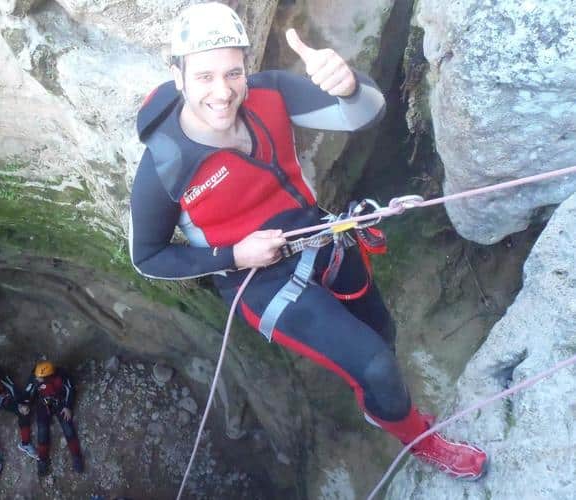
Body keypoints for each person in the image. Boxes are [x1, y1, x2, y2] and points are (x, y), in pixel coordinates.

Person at [129, 2, 488, 480]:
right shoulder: (164, 166)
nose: (223, 92)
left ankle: (378, 404)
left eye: (233, 72)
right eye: (205, 77)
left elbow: (364, 115)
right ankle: (419, 438)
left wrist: (350, 86)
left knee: (383, 332)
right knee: (378, 365)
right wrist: (234, 255)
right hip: (258, 281)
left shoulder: (269, 93)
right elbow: (147, 256)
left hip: (321, 236)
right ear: (178, 77)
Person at [22, 360, 85, 476]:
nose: (37, 379)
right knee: (42, 430)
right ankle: (43, 459)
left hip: (59, 403)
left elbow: (70, 390)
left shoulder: (61, 376)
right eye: (37, 377)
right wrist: (25, 404)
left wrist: (68, 406)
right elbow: (28, 391)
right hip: (43, 403)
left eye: (40, 378)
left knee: (68, 428)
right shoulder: (35, 377)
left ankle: (76, 457)